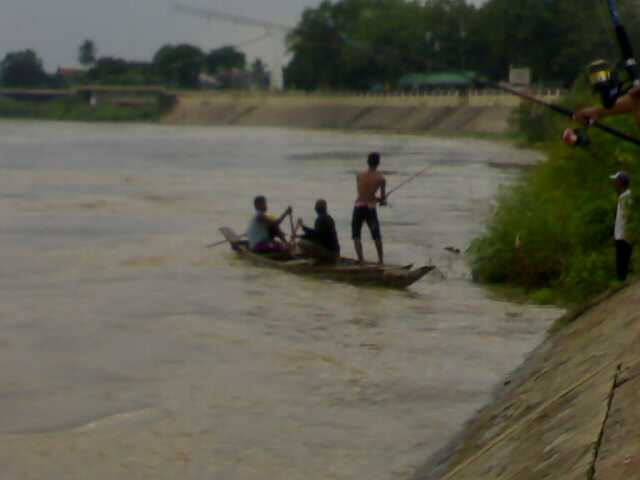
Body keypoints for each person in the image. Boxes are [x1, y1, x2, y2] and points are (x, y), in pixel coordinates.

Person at [352, 152, 386, 264]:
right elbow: (382, 200)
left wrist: (376, 199)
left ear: (367, 162)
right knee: (376, 235)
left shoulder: (359, 175)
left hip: (358, 206)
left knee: (356, 234)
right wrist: (381, 200)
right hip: (370, 208)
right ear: (378, 163)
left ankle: (361, 259)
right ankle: (380, 260)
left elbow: (362, 194)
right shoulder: (381, 178)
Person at [295, 199, 340, 263]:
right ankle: (317, 259)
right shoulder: (328, 218)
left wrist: (300, 236)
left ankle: (317, 260)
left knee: (301, 243)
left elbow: (316, 236)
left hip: (330, 254)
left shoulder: (320, 219)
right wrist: (302, 227)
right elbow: (317, 233)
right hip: (335, 253)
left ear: (316, 209)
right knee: (305, 241)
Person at [611, 171, 633, 281]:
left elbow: (627, 216)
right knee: (622, 261)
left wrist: (623, 233)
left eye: (616, 181)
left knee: (622, 261)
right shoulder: (623, 196)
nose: (614, 183)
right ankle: (622, 280)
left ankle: (622, 281)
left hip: (623, 234)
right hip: (620, 234)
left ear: (621, 182)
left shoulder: (626, 196)